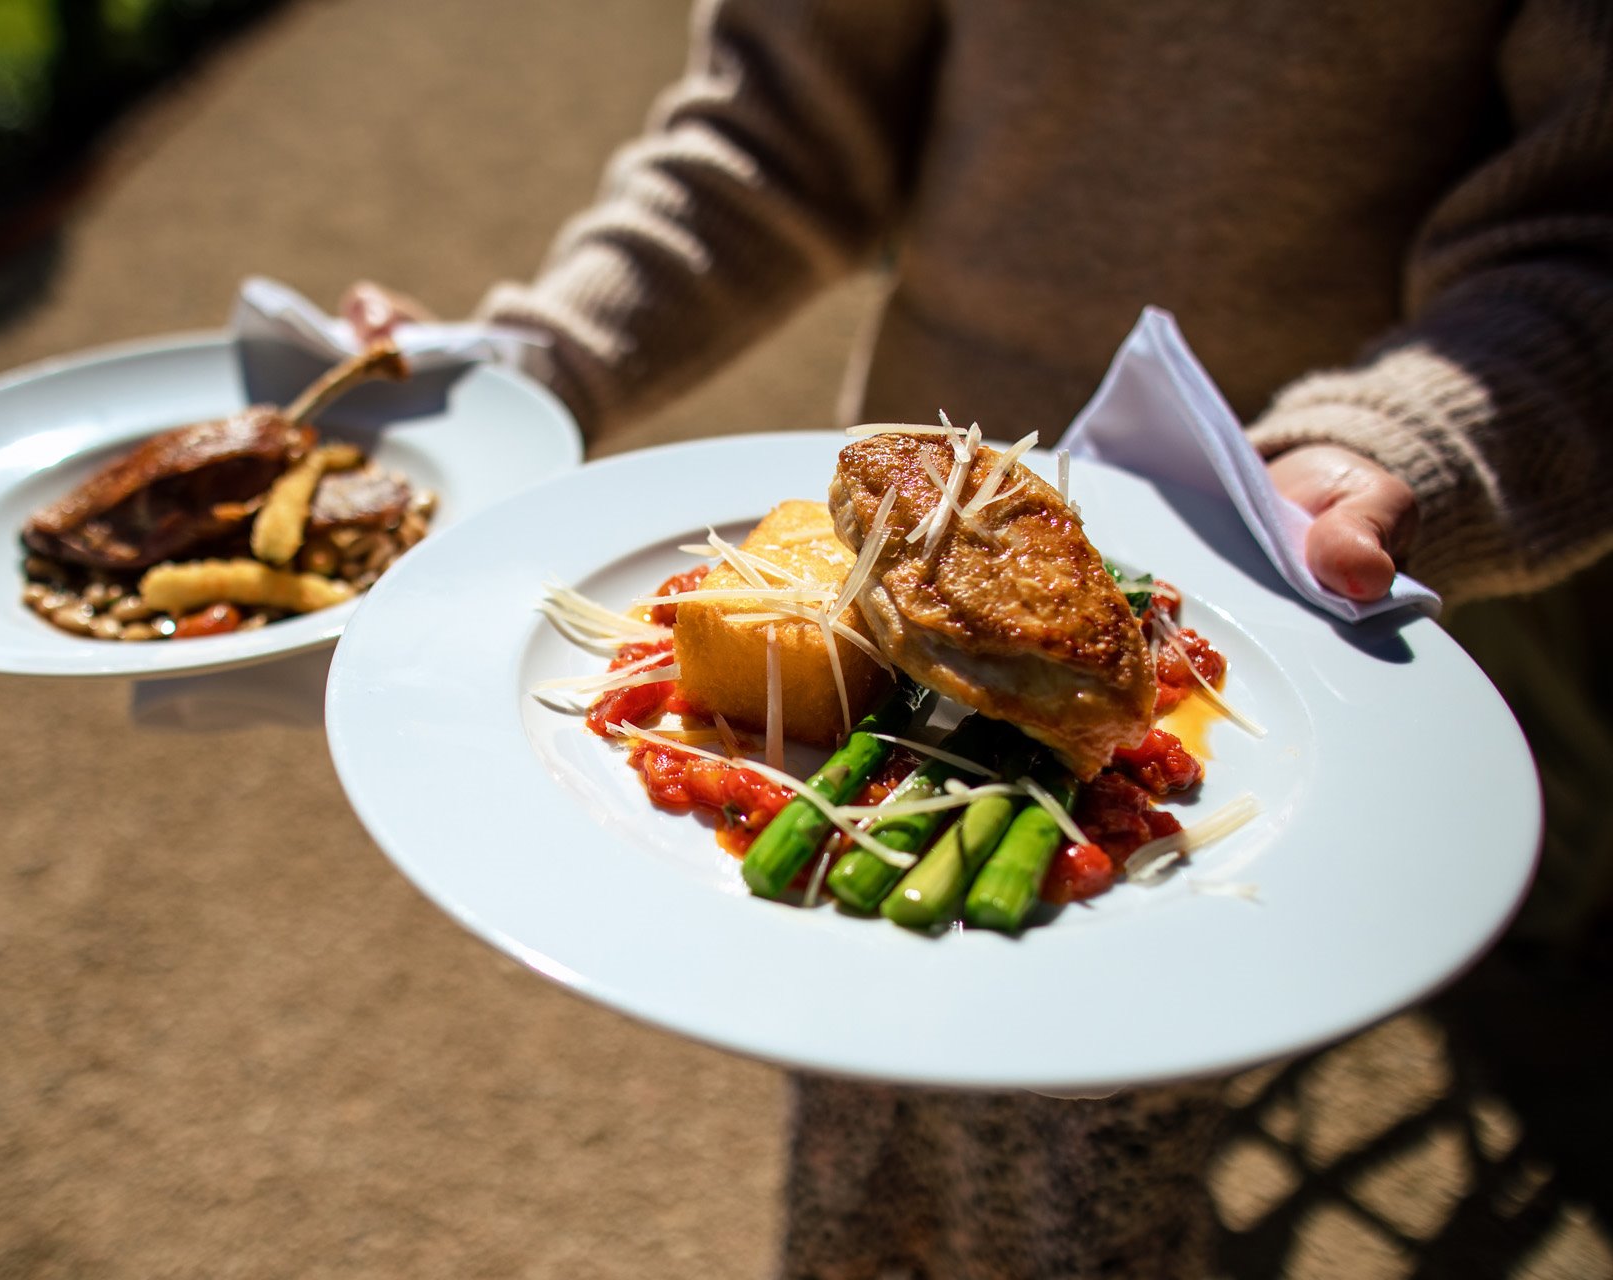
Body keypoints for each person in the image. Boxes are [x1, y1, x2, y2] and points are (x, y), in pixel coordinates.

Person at [343, 1, 1613, 1274]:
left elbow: (1585, 235)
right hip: (897, 514)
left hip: (1269, 563)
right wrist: (519, 372)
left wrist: (1396, 442)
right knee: (857, 1094)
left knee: (1100, 1175)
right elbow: (773, 136)